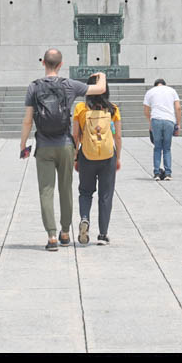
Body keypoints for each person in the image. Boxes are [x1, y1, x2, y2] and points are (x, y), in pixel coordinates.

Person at [20, 48, 107, 251]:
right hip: (66, 145)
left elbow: (27, 120)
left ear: (43, 63)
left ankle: (51, 236)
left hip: (43, 146)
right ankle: (65, 233)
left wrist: (23, 143)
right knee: (65, 189)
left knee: (46, 191)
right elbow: (100, 89)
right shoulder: (69, 85)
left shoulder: (33, 87)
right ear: (60, 64)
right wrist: (101, 75)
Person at [72, 75, 122, 246]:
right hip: (108, 156)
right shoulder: (113, 109)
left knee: (85, 192)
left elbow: (76, 136)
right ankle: (102, 235)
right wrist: (118, 158)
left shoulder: (80, 108)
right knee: (105, 195)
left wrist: (75, 157)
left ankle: (85, 218)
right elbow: (118, 137)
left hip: (87, 154)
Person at [143, 78, 181, 181]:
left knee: (157, 147)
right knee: (167, 148)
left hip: (156, 120)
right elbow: (178, 108)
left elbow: (146, 110)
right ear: (165, 84)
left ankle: (157, 173)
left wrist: (150, 121)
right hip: (169, 120)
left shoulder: (150, 92)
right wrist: (178, 123)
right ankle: (168, 173)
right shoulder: (172, 91)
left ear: (155, 85)